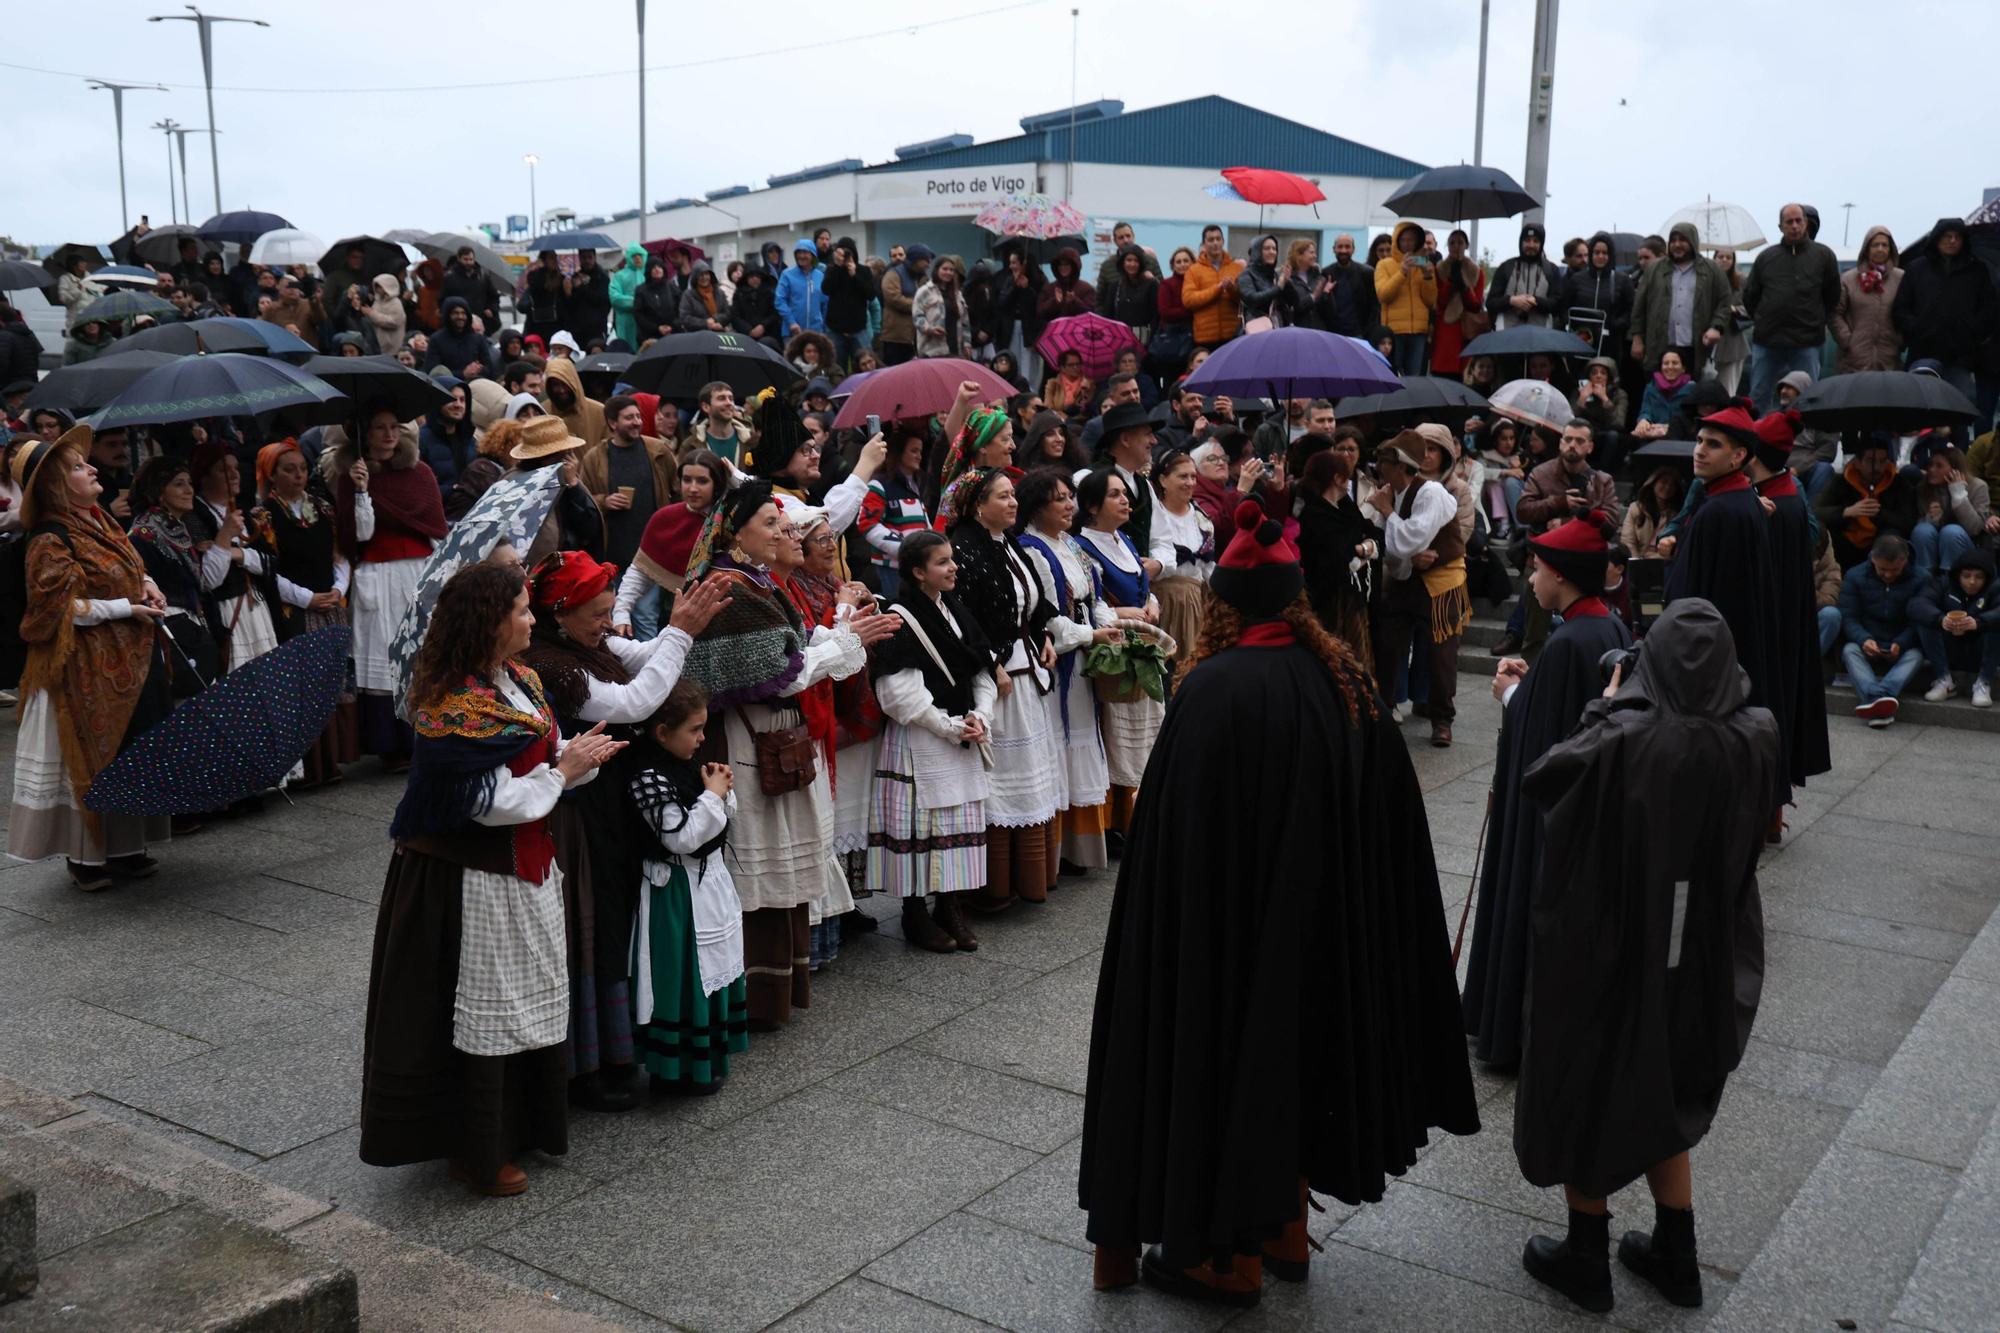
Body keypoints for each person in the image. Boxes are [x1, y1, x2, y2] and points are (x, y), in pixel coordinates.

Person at [1081, 500, 1478, 1306]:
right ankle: (1287, 1232)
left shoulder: (1212, 689)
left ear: (1222, 601)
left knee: (1229, 1064)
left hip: (1226, 939)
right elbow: (1390, 831)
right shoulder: (1348, 680)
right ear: (1296, 597)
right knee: (1301, 1058)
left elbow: (1172, 848)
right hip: (1326, 935)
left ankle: (1225, 1260)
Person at [1511, 599, 1778, 1315]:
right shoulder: (1755, 733)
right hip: (1700, 938)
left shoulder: (1623, 734)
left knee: (1584, 1069)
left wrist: (1603, 706)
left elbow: (1545, 779)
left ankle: (1585, 1252)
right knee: (1669, 1073)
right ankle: (1676, 1251)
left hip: (1609, 935)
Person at [359, 562, 626, 1197]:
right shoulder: (452, 707)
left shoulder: (523, 681)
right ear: (489, 622)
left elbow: (547, 761)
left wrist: (575, 761)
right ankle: (476, 1150)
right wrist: (563, 773)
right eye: (523, 611)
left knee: (523, 1000)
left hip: (525, 869)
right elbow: (486, 803)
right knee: (484, 1008)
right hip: (469, 878)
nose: (533, 621)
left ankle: (512, 1131)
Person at [678, 482, 896, 1027]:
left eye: (782, 523)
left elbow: (793, 652)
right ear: (736, 532)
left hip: (770, 738)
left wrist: (842, 635)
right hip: (748, 744)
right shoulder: (730, 585)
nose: (783, 532)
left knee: (778, 860)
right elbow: (781, 674)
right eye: (770, 524)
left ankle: (776, 987)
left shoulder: (756, 581)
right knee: (757, 861)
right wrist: (846, 637)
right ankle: (752, 995)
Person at [518, 550, 727, 1113]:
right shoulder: (551, 663)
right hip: (582, 813)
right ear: (558, 615)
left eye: (611, 609)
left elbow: (640, 655)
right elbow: (636, 701)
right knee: (594, 923)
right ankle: (585, 1064)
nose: (608, 623)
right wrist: (680, 632)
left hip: (610, 801)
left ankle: (617, 1049)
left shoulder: (587, 644)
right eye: (596, 613)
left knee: (616, 918)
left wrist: (684, 628)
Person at [1465, 516, 1634, 1070]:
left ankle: (1512, 1031)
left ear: (1559, 576)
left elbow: (1549, 740)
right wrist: (1530, 680)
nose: (1531, 581)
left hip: (1549, 815)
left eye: (1536, 571)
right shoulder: (1604, 626)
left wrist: (1512, 695)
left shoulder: (1568, 641)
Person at [8, 428, 172, 888]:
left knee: (127, 748)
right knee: (87, 755)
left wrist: (147, 586)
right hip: (81, 671)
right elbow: (59, 608)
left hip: (126, 663)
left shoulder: (100, 520)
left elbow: (127, 569)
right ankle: (85, 856)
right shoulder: (48, 539)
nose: (93, 468)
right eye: (78, 467)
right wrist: (126, 607)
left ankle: (123, 847)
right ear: (57, 487)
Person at [860, 528, 997, 951]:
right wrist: (952, 727)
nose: (953, 567)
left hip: (962, 733)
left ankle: (949, 906)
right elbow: (901, 696)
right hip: (922, 738)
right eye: (942, 562)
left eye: (951, 559)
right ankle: (915, 913)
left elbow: (982, 670)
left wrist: (980, 714)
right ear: (918, 572)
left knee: (955, 827)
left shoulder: (956, 610)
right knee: (922, 831)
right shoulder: (900, 618)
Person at [938, 467, 1063, 914]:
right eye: (1003, 496)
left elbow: (1034, 601)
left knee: (1028, 773)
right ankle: (992, 886)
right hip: (996, 681)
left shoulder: (1008, 543)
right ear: (977, 505)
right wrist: (990, 662)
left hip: (1026, 668)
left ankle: (1027, 879)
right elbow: (960, 615)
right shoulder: (964, 550)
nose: (1013, 503)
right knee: (1002, 778)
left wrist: (1046, 633)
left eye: (1013, 495)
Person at [626, 674, 748, 1095]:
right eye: (694, 730)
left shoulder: (680, 764)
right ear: (662, 732)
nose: (702, 738)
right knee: (682, 977)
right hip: (674, 893)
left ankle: (705, 1059)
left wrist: (720, 790)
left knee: (711, 971)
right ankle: (674, 1069)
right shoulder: (646, 775)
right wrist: (713, 796)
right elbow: (679, 837)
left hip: (703, 884)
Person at [1663, 405, 1784, 794]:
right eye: (1698, 441)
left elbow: (1696, 602)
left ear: (1739, 457)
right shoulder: (1735, 501)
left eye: (1713, 445)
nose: (1699, 450)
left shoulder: (1722, 510)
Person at [329, 407, 448, 767]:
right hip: (376, 575)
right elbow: (359, 535)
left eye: (393, 427)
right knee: (382, 656)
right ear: (364, 433)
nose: (388, 434)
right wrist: (362, 490)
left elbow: (433, 526)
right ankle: (391, 744)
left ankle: (429, 732)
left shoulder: (420, 472)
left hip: (414, 572)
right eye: (379, 428)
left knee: (419, 651)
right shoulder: (351, 476)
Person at [1015, 469, 1120, 873]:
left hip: (1084, 659)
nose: (1069, 505)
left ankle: (1082, 847)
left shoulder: (1072, 546)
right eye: (1059, 499)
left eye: (1069, 497)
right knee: (1061, 744)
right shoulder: (1033, 549)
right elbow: (1048, 618)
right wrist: (1091, 635)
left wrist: (1107, 624)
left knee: (1082, 743)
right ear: (1038, 506)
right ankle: (1056, 851)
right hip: (1059, 663)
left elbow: (1095, 595)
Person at [253, 441, 357, 787]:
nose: (298, 475)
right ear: (271, 475)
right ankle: (309, 766)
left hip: (330, 605)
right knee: (304, 687)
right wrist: (307, 598)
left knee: (332, 682)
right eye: (288, 469)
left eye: (301, 468)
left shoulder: (322, 508)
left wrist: (338, 590)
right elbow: (267, 568)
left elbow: (339, 555)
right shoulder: (264, 517)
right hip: (296, 609)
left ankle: (331, 762)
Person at [1074, 469, 1163, 844]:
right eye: (1114, 495)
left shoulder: (1123, 538)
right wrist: (1125, 613)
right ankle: (1116, 823)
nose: (1125, 500)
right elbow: (1089, 601)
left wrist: (1150, 604)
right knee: (1116, 734)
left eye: (1125, 493)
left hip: (1142, 643)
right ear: (1092, 506)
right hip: (1113, 648)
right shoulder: (1083, 546)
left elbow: (1143, 586)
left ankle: (1143, 813)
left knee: (1145, 730)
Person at [1370, 427, 1474, 747]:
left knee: (1441, 654)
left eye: (1385, 464)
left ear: (1401, 466)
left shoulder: (1433, 493)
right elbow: (1396, 552)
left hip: (1443, 581)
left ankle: (1442, 718)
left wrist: (1387, 512)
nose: (1380, 470)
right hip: (1406, 580)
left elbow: (1407, 540)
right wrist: (1407, 559)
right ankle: (1383, 707)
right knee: (1388, 643)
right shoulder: (1392, 492)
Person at [187, 440, 282, 674]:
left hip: (257, 608)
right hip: (227, 612)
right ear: (204, 478)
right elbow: (209, 580)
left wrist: (236, 554)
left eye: (236, 468)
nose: (234, 475)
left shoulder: (241, 512)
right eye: (223, 470)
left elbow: (270, 563)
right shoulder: (194, 518)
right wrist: (224, 536)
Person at [613, 449, 724, 635]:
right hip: (680, 623)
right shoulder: (665, 519)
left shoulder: (730, 521)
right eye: (687, 480)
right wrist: (621, 611)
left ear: (717, 483)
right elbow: (640, 572)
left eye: (702, 481)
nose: (693, 488)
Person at [1743, 204, 1842, 410]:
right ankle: (1756, 438)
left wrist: (1815, 319)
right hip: (1768, 341)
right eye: (1789, 222)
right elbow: (1750, 296)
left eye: (1799, 221)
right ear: (1781, 226)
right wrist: (1763, 319)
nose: (1795, 226)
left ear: (1806, 223)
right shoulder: (1766, 257)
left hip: (1806, 341)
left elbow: (1832, 296)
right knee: (1759, 395)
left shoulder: (1824, 256)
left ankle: (1805, 440)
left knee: (1808, 398)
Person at [1893, 217, 1997, 404]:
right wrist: (1918, 329)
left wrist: (1971, 331)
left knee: (1957, 410)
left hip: (1960, 357)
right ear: (1936, 238)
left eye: (1957, 237)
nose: (1952, 241)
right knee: (1921, 407)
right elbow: (1900, 308)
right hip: (1922, 353)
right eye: (1947, 236)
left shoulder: (1976, 271)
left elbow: (1989, 309)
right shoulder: (1916, 269)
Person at [1295, 440, 1377, 667]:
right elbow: (1341, 554)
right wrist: (1361, 549)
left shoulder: (1344, 508)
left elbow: (1372, 534)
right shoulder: (1314, 514)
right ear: (1337, 479)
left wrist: (1365, 548)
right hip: (1329, 603)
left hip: (1350, 601)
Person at [580, 394, 677, 569]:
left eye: (638, 416)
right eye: (629, 417)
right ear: (612, 423)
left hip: (655, 552)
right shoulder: (594, 458)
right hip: (614, 556)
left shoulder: (659, 451)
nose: (637, 422)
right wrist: (605, 501)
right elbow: (582, 501)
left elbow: (677, 491)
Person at [1838, 533, 1925, 727]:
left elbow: (1918, 621)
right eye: (1882, 569)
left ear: (1905, 561)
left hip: (1901, 643)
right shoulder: (1855, 575)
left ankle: (1875, 697)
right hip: (1868, 640)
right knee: (1850, 650)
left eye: (1894, 570)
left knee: (1916, 655)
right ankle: (1881, 699)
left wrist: (1901, 643)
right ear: (1873, 559)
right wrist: (1863, 639)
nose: (1888, 575)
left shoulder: (1921, 579)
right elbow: (1849, 616)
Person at [1630, 223, 1732, 380]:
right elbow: (1639, 306)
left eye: (1682, 240)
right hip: (1660, 346)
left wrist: (1716, 327)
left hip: (1695, 347)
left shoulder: (1712, 270)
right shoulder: (1655, 269)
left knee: (1690, 396)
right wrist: (1637, 339)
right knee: (1659, 394)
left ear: (1692, 241)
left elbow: (1724, 303)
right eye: (1673, 240)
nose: (1677, 244)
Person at [1147, 447, 1214, 662]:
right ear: (1163, 480)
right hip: (1162, 601)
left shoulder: (1201, 520)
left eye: (1193, 476)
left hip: (1194, 603)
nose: (1190, 482)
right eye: (1183, 476)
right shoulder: (1154, 516)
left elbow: (1208, 568)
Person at [1814, 435, 1919, 570]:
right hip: (1846, 542)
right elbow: (1817, 511)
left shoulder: (1899, 483)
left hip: (1881, 541)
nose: (1877, 467)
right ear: (1857, 462)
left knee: (1891, 536)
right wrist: (1846, 512)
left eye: (1882, 461)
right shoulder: (1840, 481)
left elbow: (1908, 521)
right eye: (1870, 461)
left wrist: (1880, 514)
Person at [1914, 548, 1999, 707]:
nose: (1972, 582)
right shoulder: (1943, 583)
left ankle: (1983, 682)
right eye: (1966, 576)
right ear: (1958, 575)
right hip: (1949, 646)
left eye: (1978, 577)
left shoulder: (1995, 587)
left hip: (1981, 648)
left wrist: (1979, 622)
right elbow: (1918, 604)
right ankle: (1944, 680)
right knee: (1925, 621)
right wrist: (1941, 619)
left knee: (1995, 626)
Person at [1832, 227, 1904, 374]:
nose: (1880, 249)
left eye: (1885, 245)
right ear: (1866, 248)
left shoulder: (1901, 278)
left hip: (1889, 359)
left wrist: (1900, 340)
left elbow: (1909, 310)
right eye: (1875, 245)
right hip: (1854, 361)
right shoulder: (1849, 279)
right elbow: (1834, 313)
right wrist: (1848, 340)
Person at [1376, 221, 1438, 373]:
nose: (1407, 244)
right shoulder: (1384, 264)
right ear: (1397, 240)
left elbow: (1430, 301)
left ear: (1418, 242)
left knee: (1414, 377)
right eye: (1404, 239)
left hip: (1418, 332)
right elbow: (1384, 295)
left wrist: (1428, 277)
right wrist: (1402, 272)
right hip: (1393, 332)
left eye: (1412, 240)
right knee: (1391, 375)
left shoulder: (1425, 265)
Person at [1560, 232, 1634, 356]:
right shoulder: (1576, 279)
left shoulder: (1622, 280)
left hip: (1610, 344)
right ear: (1591, 254)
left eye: (1605, 253)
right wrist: (1571, 324)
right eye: (1596, 252)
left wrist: (1617, 324)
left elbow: (1630, 309)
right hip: (1580, 341)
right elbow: (1563, 306)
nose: (1600, 256)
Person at [1485, 223, 1563, 331]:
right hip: (1507, 332)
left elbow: (1558, 304)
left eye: (1535, 241)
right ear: (1521, 242)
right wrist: (1511, 301)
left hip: (1541, 333)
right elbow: (1490, 303)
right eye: (1527, 240)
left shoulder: (1551, 270)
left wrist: (1535, 301)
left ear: (1541, 244)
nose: (1531, 245)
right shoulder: (1506, 267)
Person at [1430, 229, 1486, 375]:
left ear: (1466, 245)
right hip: (1445, 329)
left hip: (1466, 328)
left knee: (1464, 372)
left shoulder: (1476, 271)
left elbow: (1476, 305)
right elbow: (1439, 301)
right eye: (1452, 243)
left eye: (1460, 242)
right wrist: (1450, 283)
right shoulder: (1439, 269)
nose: (1456, 246)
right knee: (1444, 372)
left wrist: (1464, 287)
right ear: (1447, 246)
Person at [1183, 225, 1244, 349]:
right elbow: (1188, 300)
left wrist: (1232, 290)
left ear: (1223, 241)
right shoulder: (1193, 270)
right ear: (1204, 244)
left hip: (1232, 335)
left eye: (1218, 239)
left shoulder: (1237, 268)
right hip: (1205, 338)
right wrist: (1217, 289)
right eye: (1210, 240)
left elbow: (1245, 300)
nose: (1215, 243)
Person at [820, 237, 876, 371]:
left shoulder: (864, 271)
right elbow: (826, 289)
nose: (845, 256)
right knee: (837, 368)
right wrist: (838, 268)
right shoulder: (832, 269)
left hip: (858, 329)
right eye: (842, 253)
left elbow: (871, 294)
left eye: (848, 253)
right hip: (836, 330)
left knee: (866, 366)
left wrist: (854, 275)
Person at [416, 378, 476, 493]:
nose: (458, 405)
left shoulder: (469, 438)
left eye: (462, 400)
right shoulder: (421, 440)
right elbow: (419, 487)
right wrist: (451, 490)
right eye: (452, 399)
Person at [680, 381, 752, 468]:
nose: (729, 403)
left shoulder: (751, 440)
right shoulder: (690, 445)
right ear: (706, 407)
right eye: (722, 398)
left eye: (731, 398)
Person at [543, 355, 607, 452]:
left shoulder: (599, 412)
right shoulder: (542, 411)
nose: (561, 390)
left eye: (565, 384)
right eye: (555, 385)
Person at [913, 255, 971, 360]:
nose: (948, 272)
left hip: (955, 348)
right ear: (936, 270)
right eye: (945, 269)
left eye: (951, 270)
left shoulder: (957, 294)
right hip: (932, 349)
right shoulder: (924, 291)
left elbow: (965, 322)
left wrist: (967, 343)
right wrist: (929, 329)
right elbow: (917, 317)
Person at [1622, 465, 1686, 561]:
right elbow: (1628, 541)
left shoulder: (1678, 515)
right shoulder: (1636, 508)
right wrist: (1636, 563)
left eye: (1672, 485)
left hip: (1664, 564)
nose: (1667, 487)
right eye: (1664, 482)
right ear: (1653, 483)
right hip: (1637, 561)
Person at [1038, 247, 1097, 326]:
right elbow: (1040, 312)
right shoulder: (1049, 288)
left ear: (1074, 266)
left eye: (1066, 264)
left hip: (1078, 333)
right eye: (1060, 265)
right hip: (1053, 333)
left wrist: (1075, 301)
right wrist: (1054, 302)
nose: (1063, 268)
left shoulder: (1086, 289)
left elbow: (1092, 314)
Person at [727, 264, 780, 351]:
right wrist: (748, 330)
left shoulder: (769, 293)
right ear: (746, 278)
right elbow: (735, 316)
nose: (755, 279)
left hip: (768, 335)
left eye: (757, 276)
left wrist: (763, 326)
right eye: (751, 276)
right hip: (745, 337)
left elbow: (774, 314)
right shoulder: (739, 294)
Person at [675, 263, 729, 335]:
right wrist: (705, 323)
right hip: (697, 336)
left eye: (706, 274)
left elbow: (727, 313)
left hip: (719, 333)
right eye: (701, 275)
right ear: (695, 277)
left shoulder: (719, 293)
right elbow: (685, 318)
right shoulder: (688, 295)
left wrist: (715, 319)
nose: (704, 277)